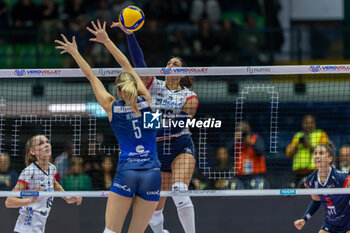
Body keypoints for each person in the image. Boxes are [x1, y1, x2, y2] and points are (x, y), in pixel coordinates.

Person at [55, 19, 161, 233]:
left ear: (118, 91)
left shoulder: (112, 107)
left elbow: (91, 76)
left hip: (127, 171)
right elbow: (127, 66)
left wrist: (75, 52)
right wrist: (108, 41)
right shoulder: (148, 100)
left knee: (111, 231)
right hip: (152, 172)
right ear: (133, 85)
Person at [110, 22, 199, 233]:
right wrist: (130, 35)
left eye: (177, 64)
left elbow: (179, 125)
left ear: (184, 71)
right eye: (169, 62)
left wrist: (151, 122)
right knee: (154, 207)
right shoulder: (153, 84)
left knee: (179, 191)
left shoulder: (190, 96)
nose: (172, 65)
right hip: (154, 149)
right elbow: (138, 62)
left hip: (179, 144)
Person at [5, 135, 82, 233]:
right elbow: (9, 201)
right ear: (32, 152)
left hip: (39, 229)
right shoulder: (29, 172)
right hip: (25, 228)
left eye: (47, 142)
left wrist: (67, 197)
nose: (46, 145)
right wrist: (30, 199)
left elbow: (54, 184)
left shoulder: (52, 168)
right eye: (41, 143)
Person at [293, 141, 350, 233]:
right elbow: (316, 201)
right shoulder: (311, 180)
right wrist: (304, 219)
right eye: (315, 153)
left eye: (321, 153)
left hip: (348, 224)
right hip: (330, 225)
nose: (317, 156)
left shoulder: (342, 178)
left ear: (330, 158)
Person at [286, 114, 329, 187]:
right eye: (306, 123)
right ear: (302, 124)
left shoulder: (321, 134)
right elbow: (288, 153)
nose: (309, 125)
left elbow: (326, 150)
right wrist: (296, 145)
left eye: (311, 123)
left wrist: (310, 146)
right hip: (299, 173)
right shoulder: (298, 135)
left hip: (315, 172)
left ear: (315, 124)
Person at [228, 121, 268, 189]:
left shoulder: (256, 138)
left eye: (244, 129)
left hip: (256, 175)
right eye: (240, 129)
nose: (243, 132)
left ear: (249, 129)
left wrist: (250, 143)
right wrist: (235, 140)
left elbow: (260, 152)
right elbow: (229, 153)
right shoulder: (237, 142)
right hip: (240, 177)